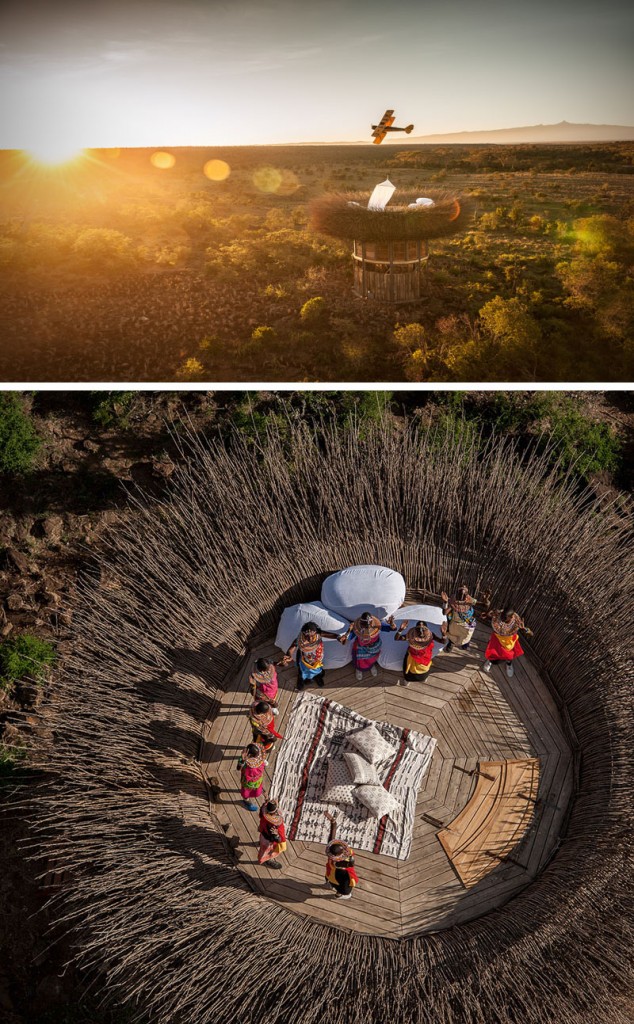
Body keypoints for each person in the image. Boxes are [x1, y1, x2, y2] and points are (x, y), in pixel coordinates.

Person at [282, 621, 341, 691]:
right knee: (302, 671)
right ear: (303, 634)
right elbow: (292, 648)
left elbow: (331, 635)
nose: (309, 639)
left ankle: (317, 677)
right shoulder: (300, 640)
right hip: (305, 661)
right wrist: (288, 655)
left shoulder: (319, 634)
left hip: (317, 660)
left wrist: (338, 637)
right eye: (307, 636)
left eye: (312, 636)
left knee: (318, 670)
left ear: (316, 633)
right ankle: (301, 680)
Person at [339, 611, 397, 681]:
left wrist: (392, 624)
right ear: (361, 623)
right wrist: (347, 632)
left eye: (368, 625)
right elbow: (349, 637)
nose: (366, 627)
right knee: (359, 660)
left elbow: (393, 629)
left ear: (372, 623)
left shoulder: (377, 626)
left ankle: (371, 666)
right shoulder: (357, 628)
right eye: (364, 625)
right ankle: (359, 669)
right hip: (361, 648)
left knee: (372, 659)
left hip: (374, 647)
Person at [481, 607, 532, 678]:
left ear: (511, 617)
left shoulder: (517, 622)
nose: (502, 619)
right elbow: (487, 616)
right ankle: (491, 661)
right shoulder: (497, 616)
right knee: (493, 652)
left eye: (505, 617)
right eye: (502, 616)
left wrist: (524, 629)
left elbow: (531, 634)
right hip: (497, 639)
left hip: (509, 641)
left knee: (509, 655)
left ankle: (509, 664)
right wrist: (486, 615)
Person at [441, 585, 491, 652]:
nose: (462, 596)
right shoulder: (453, 600)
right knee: (453, 635)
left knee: (466, 636)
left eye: (464, 594)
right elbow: (445, 612)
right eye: (460, 594)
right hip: (455, 623)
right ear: (457, 593)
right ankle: (451, 644)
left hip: (467, 623)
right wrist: (445, 602)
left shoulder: (469, 599)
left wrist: (486, 599)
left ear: (466, 594)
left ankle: (465, 645)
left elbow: (485, 605)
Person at [323, 812, 359, 900]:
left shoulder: (331, 852)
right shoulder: (339, 863)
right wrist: (349, 858)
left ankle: (330, 885)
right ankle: (339, 894)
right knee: (342, 887)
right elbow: (351, 864)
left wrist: (333, 822)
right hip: (340, 876)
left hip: (331, 873)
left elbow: (332, 834)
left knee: (331, 880)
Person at [394, 620, 435, 685]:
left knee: (408, 670)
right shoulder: (430, 636)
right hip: (425, 659)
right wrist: (443, 635)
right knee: (424, 671)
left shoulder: (411, 636)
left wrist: (400, 630)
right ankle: (423, 679)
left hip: (414, 657)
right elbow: (442, 641)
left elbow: (397, 638)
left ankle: (408, 680)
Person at [257, 798, 287, 869]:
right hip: (268, 841)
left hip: (263, 834)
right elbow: (277, 840)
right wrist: (277, 835)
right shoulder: (273, 826)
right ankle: (268, 860)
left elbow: (261, 811)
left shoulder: (263, 811)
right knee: (267, 852)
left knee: (262, 844)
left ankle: (260, 844)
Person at [237, 742, 267, 811]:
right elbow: (238, 768)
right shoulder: (259, 759)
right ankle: (246, 801)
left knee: (253, 792)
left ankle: (246, 799)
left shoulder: (257, 759)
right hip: (252, 781)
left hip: (253, 781)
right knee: (249, 793)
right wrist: (243, 761)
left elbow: (238, 768)